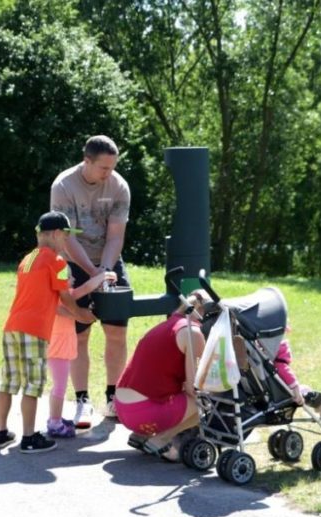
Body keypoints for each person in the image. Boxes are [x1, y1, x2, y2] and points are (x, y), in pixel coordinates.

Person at [0, 211, 97, 453]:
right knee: (33, 384)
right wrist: (83, 316)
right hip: (35, 329)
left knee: (8, 382)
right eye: (66, 236)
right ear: (56, 233)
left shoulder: (27, 259)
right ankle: (29, 438)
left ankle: (1, 433)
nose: (66, 241)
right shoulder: (58, 262)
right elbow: (66, 299)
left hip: (12, 327)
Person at [50, 134, 131, 426]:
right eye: (104, 168)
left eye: (112, 167)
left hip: (108, 261)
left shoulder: (119, 186)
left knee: (117, 331)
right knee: (80, 333)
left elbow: (116, 235)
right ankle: (82, 400)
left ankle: (114, 397)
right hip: (75, 263)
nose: (109, 174)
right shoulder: (63, 186)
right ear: (87, 161)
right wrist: (91, 271)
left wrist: (106, 269)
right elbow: (67, 239)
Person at [113, 291, 209, 461]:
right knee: (206, 403)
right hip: (143, 413)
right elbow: (193, 388)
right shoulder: (193, 333)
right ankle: (161, 439)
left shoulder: (166, 326)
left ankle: (141, 435)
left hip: (122, 408)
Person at [46, 268, 117, 438]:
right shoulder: (55, 299)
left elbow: (86, 288)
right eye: (69, 276)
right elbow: (80, 295)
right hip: (57, 349)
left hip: (62, 348)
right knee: (59, 387)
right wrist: (84, 315)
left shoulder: (66, 296)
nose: (73, 278)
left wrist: (103, 276)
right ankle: (54, 423)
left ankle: (55, 419)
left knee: (59, 386)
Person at [273, 336, 321, 420]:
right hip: (282, 394)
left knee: (305, 390)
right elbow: (283, 370)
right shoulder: (278, 358)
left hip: (265, 392)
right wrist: (296, 389)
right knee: (308, 393)